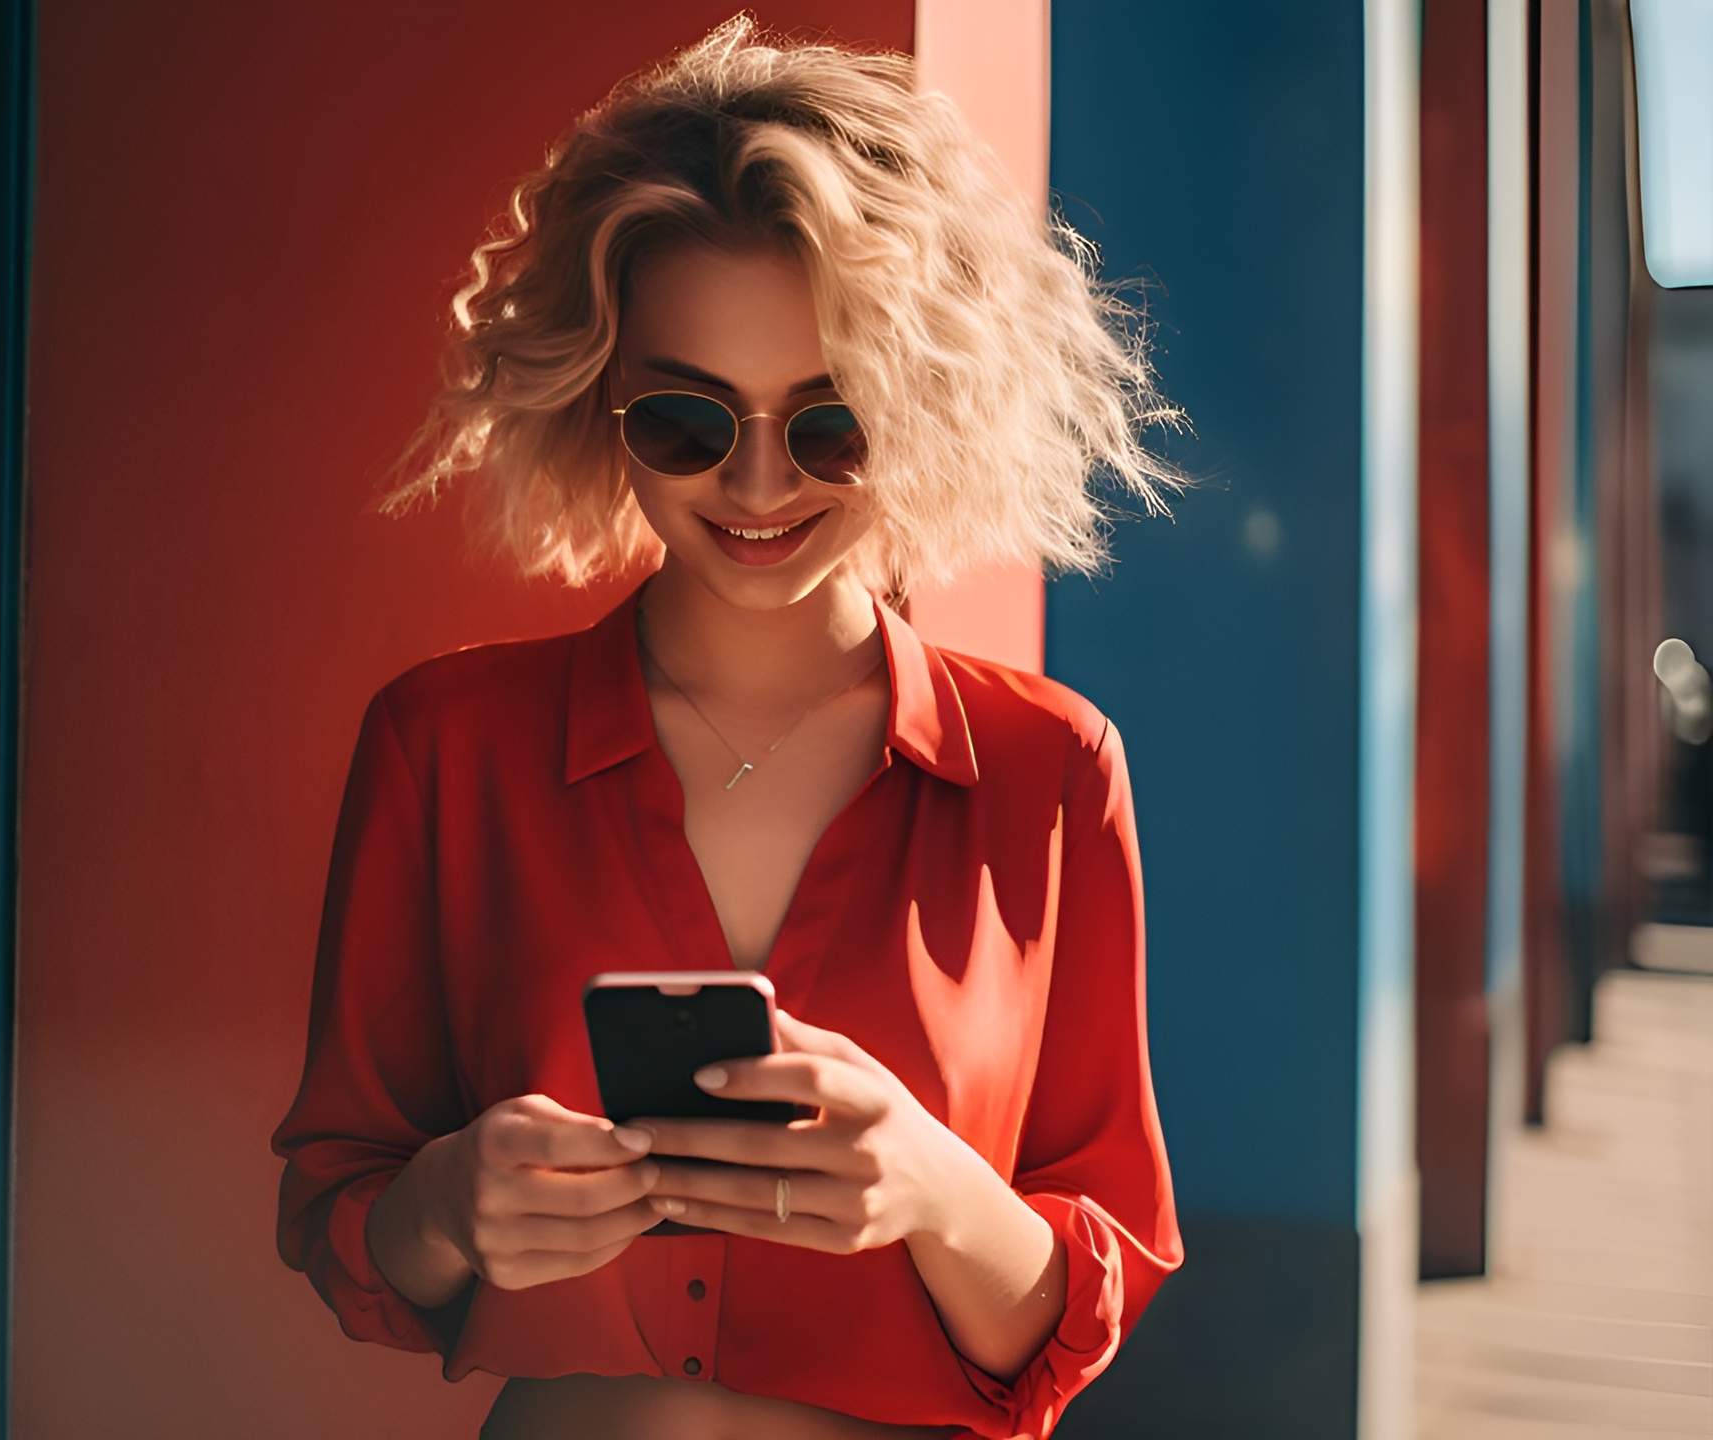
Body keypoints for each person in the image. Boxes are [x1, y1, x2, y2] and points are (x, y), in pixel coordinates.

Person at [269, 16, 1188, 1439]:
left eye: (832, 424)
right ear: (601, 395)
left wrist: (936, 1190)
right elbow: (345, 1219)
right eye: (688, 422)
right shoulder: (443, 748)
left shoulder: (1051, 772)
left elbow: (1067, 1325)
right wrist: (448, 1204)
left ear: (924, 404)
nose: (759, 486)